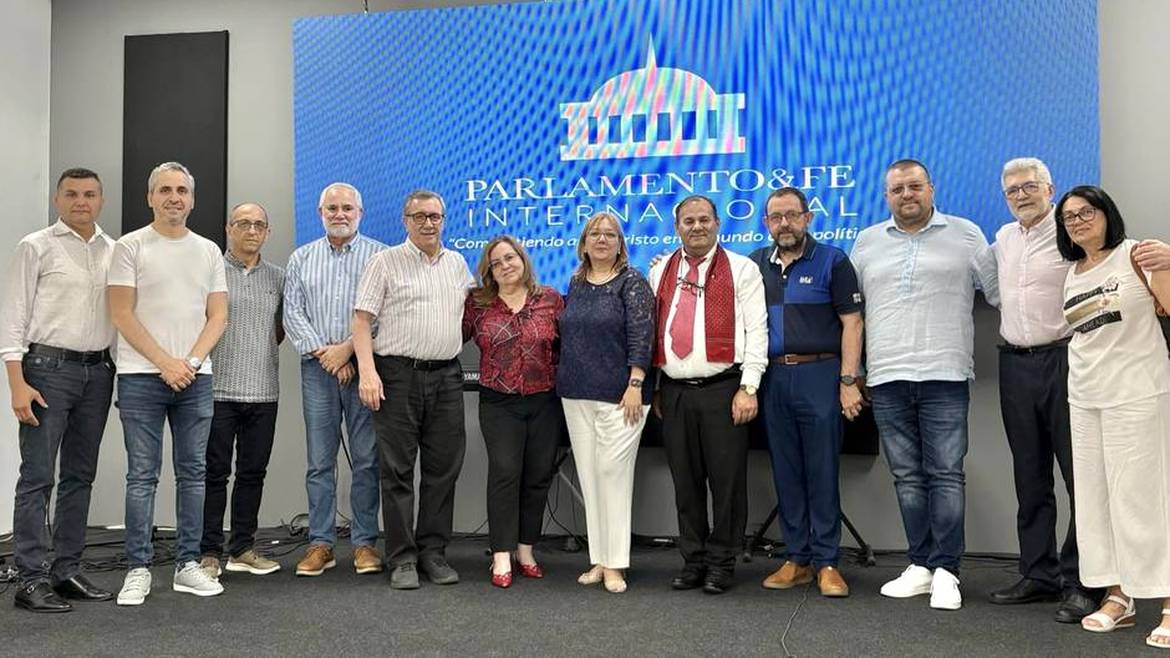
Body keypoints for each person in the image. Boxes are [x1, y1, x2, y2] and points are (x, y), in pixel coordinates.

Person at [850, 159, 996, 610]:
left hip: (945, 373)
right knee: (907, 477)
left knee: (946, 474)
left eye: (914, 186)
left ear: (931, 188)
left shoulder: (966, 234)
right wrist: (852, 373)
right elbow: (852, 311)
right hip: (886, 376)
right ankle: (921, 565)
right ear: (886, 196)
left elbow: (999, 292)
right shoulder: (867, 241)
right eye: (897, 189)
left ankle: (947, 570)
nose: (906, 195)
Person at [1054, 185, 1170, 649]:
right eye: (1069, 217)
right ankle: (1119, 597)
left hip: (1138, 393)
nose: (1078, 221)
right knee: (1097, 502)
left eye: (1087, 212)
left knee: (1145, 499)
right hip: (1085, 398)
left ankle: (1168, 601)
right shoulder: (1073, 272)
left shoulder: (1138, 255)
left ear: (1107, 214)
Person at [107, 161, 228, 605]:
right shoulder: (130, 246)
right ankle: (138, 568)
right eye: (165, 190)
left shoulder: (209, 251)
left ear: (192, 200)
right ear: (150, 197)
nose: (174, 197)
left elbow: (218, 316)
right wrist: (165, 363)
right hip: (141, 377)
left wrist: (189, 363)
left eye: (182, 190)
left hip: (195, 378)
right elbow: (121, 313)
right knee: (142, 476)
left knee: (193, 474)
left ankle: (187, 565)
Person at [983, 158, 1099, 622]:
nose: (1021, 196)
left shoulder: (1071, 232)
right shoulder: (1003, 238)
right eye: (1012, 190)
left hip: (1066, 359)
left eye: (1029, 186)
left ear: (1049, 188)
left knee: (1079, 477)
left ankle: (1083, 581)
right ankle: (1039, 574)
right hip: (1015, 363)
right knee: (1029, 477)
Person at [2, 168, 117, 612]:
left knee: (79, 476)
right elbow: (12, 318)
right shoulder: (35, 246)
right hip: (46, 370)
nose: (81, 202)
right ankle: (30, 579)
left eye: (89, 194)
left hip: (98, 371)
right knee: (37, 476)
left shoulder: (114, 251)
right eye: (71, 194)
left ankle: (66, 570)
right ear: (57, 200)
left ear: (101, 200)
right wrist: (17, 383)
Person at [353, 189, 474, 590]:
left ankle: (433, 553)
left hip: (447, 377)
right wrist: (367, 373)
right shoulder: (384, 261)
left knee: (443, 469)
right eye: (419, 216)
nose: (427, 223)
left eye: (434, 216)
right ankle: (402, 557)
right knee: (397, 471)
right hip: (397, 376)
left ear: (443, 220)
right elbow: (361, 322)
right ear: (405, 221)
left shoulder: (457, 264)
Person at [648, 195, 767, 595]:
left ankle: (721, 562)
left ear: (717, 223)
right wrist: (658, 386)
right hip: (675, 391)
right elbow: (655, 332)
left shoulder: (742, 268)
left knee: (726, 483)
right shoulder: (660, 270)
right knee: (686, 482)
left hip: (724, 390)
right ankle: (693, 559)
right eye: (688, 221)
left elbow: (757, 331)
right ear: (676, 227)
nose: (696, 227)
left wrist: (749, 387)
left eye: (703, 220)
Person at [750, 187, 863, 598]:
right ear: (766, 223)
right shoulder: (754, 264)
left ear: (807, 218)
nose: (785, 224)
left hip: (820, 374)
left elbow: (853, 322)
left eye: (792, 215)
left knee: (822, 470)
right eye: (776, 217)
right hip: (774, 378)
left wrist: (848, 382)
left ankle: (827, 561)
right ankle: (797, 558)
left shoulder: (833, 260)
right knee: (786, 471)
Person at [283, 182, 386, 577]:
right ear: (320, 213)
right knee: (319, 461)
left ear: (360, 213)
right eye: (332, 208)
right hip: (317, 368)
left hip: (365, 368)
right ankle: (321, 544)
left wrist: (347, 351)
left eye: (347, 208)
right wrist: (327, 356)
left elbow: (385, 313)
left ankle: (364, 544)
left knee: (366, 459)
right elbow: (292, 314)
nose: (339, 214)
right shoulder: (301, 258)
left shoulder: (380, 257)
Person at [556, 212, 655, 594]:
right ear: (583, 243)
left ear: (620, 244)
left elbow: (642, 335)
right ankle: (598, 559)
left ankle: (616, 564)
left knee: (613, 475)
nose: (601, 239)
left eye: (610, 234)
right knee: (590, 476)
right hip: (576, 393)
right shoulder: (576, 282)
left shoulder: (632, 282)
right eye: (595, 234)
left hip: (622, 396)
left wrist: (636, 383)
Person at [462, 236, 564, 589]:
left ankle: (525, 550)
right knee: (505, 473)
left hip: (544, 401)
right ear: (489, 271)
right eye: (496, 263)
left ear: (523, 259)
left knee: (538, 475)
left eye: (510, 258)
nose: (505, 265)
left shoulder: (550, 299)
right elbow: (449, 337)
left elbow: (566, 346)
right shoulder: (477, 304)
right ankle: (501, 553)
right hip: (498, 402)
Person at [198, 203, 284, 578]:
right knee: (214, 474)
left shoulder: (278, 277)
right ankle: (208, 552)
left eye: (259, 225)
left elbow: (279, 330)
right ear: (228, 228)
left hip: (263, 391)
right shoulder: (210, 272)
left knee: (253, 473)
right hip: (217, 390)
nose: (252, 231)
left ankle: (242, 548)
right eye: (244, 224)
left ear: (267, 232)